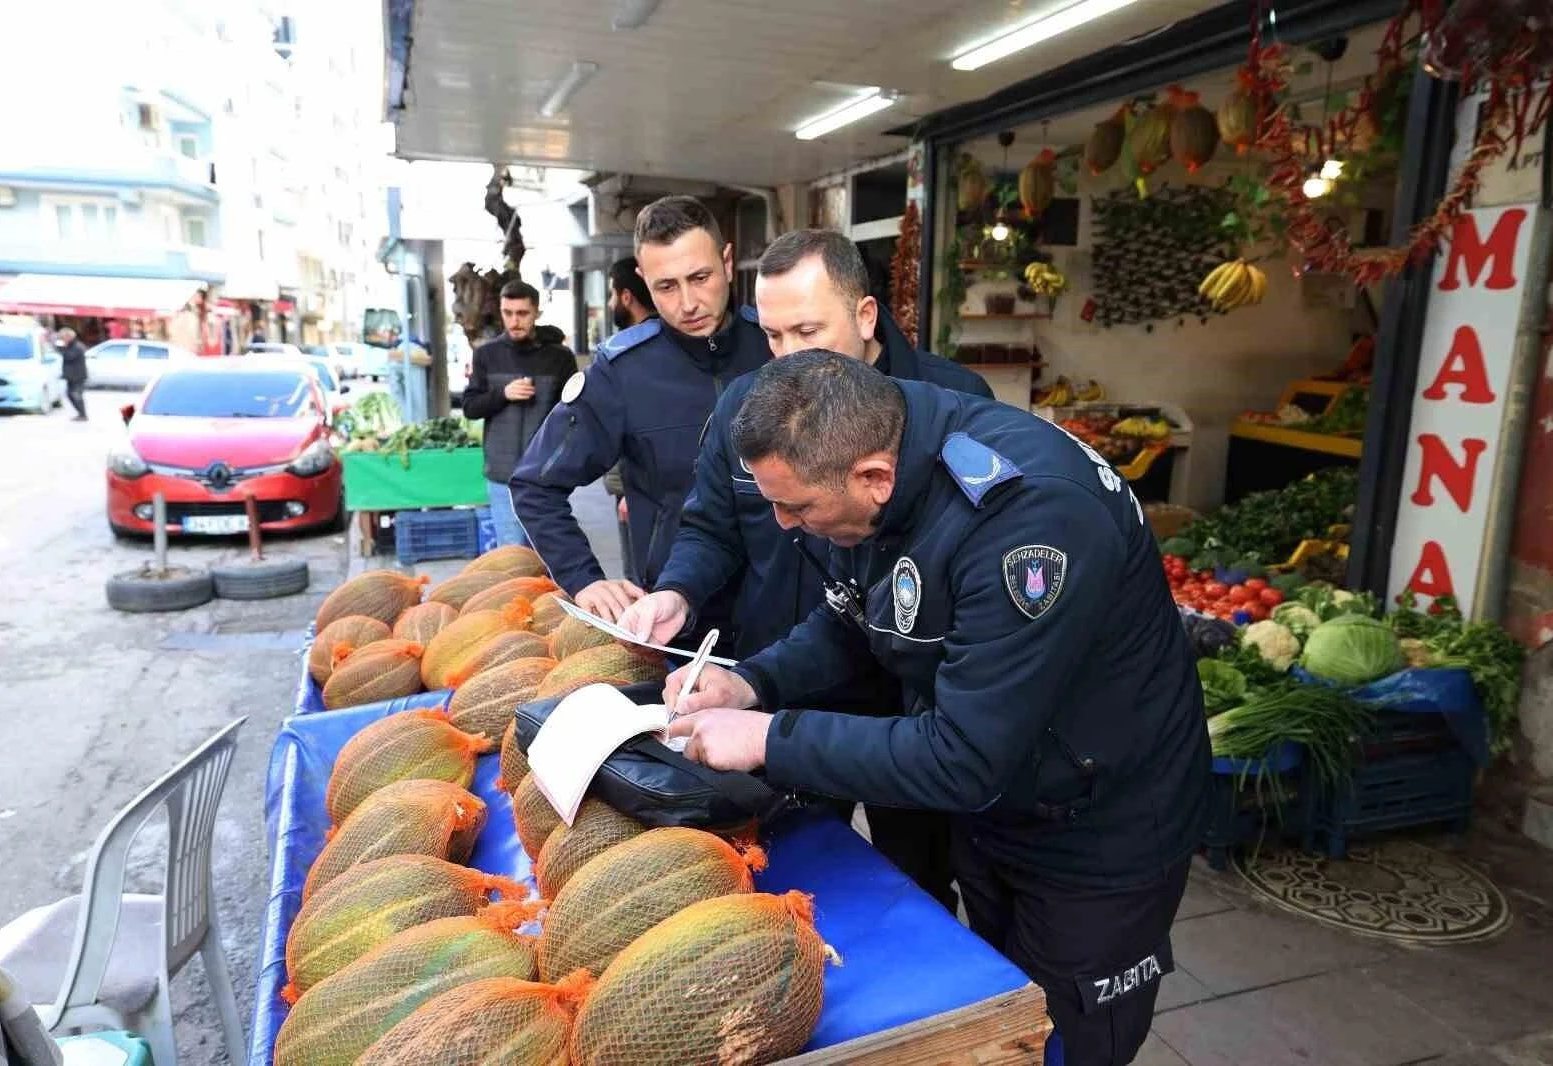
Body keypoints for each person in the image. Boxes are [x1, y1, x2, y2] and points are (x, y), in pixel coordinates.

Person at [665, 351, 1211, 1066]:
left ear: (873, 477)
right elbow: (855, 619)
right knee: (997, 1021)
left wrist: (771, 737)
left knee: (1066, 1041)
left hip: (1100, 833)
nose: (783, 524)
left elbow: (964, 757)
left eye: (796, 506)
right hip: (1005, 808)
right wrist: (752, 683)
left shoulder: (1030, 519)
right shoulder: (882, 459)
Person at [618, 228, 993, 909]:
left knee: (914, 886)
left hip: (900, 709)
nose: (787, 357)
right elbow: (711, 525)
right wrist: (678, 590)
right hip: (779, 686)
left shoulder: (950, 402)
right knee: (786, 873)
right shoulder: (748, 410)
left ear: (866, 316)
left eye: (808, 331)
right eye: (774, 335)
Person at [509, 195, 771, 629]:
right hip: (680, 622)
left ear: (727, 263)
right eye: (666, 286)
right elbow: (535, 485)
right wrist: (584, 579)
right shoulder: (622, 372)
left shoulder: (777, 345)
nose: (688, 303)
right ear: (643, 280)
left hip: (793, 614)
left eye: (700, 277)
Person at [462, 280, 578, 549]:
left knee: (549, 553)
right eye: (508, 313)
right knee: (512, 554)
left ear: (536, 312)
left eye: (522, 313)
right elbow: (470, 407)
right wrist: (503, 394)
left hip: (547, 474)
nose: (514, 321)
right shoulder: (485, 354)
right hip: (503, 474)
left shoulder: (559, 357)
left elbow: (575, 413)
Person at [600, 256, 656, 584]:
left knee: (639, 580)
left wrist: (625, 492)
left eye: (611, 294)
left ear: (625, 297)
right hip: (642, 491)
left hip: (640, 493)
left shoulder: (625, 356)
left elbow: (628, 431)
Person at [55, 328, 88, 421]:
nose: (62, 340)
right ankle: (80, 413)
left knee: (76, 395)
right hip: (71, 376)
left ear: (68, 337)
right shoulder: (71, 346)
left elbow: (69, 356)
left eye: (63, 338)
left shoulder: (77, 346)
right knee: (70, 394)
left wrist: (61, 348)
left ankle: (83, 414)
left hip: (77, 376)